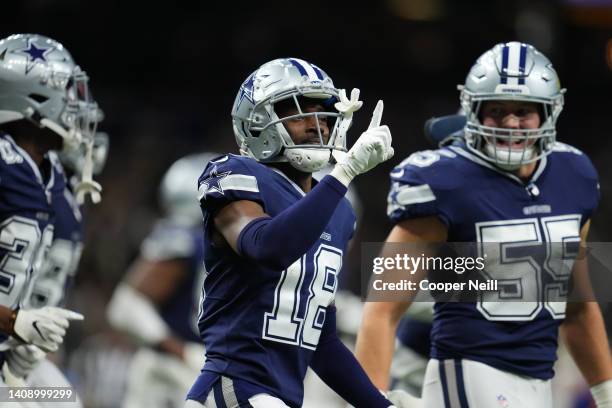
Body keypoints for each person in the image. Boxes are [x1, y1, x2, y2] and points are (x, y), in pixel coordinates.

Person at [356, 42, 612, 407]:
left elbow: (576, 306)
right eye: (497, 111)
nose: (510, 123)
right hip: (468, 372)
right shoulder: (444, 181)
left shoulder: (574, 174)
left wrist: (606, 393)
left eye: (523, 111)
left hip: (541, 380)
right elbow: (382, 309)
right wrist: (372, 399)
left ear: (548, 113)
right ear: (473, 112)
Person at [185, 57, 404, 408]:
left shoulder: (338, 210)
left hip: (279, 397)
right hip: (234, 386)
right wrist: (342, 174)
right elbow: (265, 246)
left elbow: (323, 340)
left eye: (323, 114)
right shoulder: (234, 173)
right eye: (301, 113)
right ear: (258, 123)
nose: (317, 125)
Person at [0, 34, 94, 387]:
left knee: (60, 398)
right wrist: (14, 321)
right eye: (68, 94)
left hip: (8, 350)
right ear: (35, 98)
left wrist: (23, 331)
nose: (77, 107)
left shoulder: (48, 172)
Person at [107, 152, 215, 408]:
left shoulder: (243, 243)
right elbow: (126, 305)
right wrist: (183, 352)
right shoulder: (184, 238)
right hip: (172, 374)